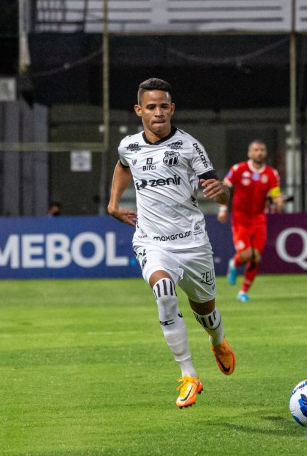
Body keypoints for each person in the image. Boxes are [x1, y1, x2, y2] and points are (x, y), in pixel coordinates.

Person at [107, 78, 236, 409]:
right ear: (139, 110)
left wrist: (221, 192)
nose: (158, 112)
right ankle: (189, 375)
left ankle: (218, 342)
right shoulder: (129, 146)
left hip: (193, 243)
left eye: (164, 106)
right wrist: (112, 204)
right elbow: (123, 166)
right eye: (151, 106)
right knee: (163, 294)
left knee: (205, 312)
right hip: (152, 242)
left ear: (172, 109)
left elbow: (220, 191)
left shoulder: (189, 147)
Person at [218, 140, 284, 302]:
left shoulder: (271, 173)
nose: (259, 152)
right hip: (240, 219)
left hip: (259, 219)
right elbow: (224, 188)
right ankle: (234, 263)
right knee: (246, 254)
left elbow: (275, 194)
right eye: (256, 150)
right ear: (250, 153)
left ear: (265, 153)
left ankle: (243, 292)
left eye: (262, 150)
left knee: (256, 257)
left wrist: (278, 202)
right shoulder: (239, 169)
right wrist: (223, 208)